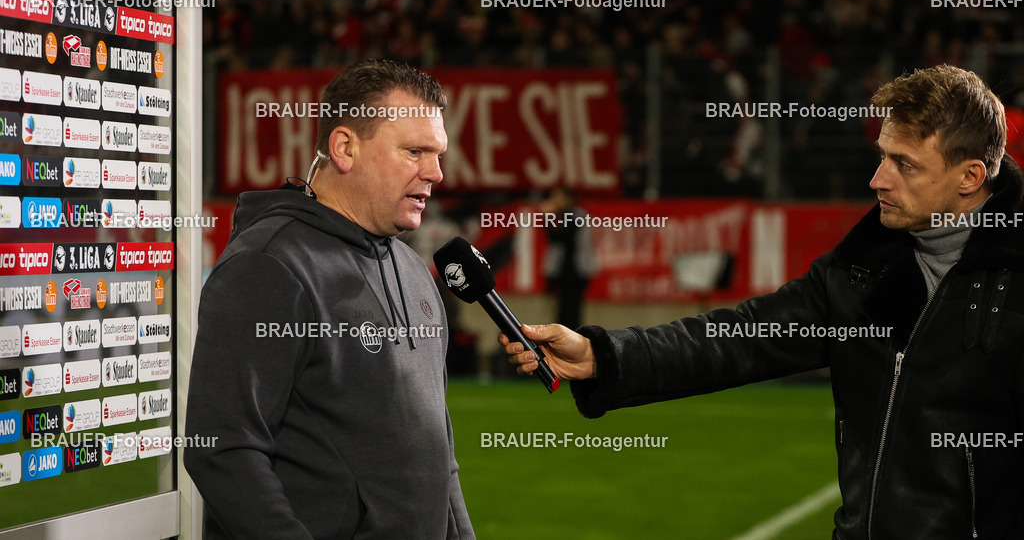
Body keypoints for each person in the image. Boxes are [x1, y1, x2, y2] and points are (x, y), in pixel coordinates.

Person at [502, 64, 1024, 539]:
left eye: (904, 164)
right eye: (882, 156)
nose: (877, 179)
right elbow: (739, 337)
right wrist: (602, 356)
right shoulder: (863, 270)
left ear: (971, 177)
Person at [185, 60, 474, 539]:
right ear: (345, 148)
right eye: (414, 151)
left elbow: (441, 459)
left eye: (438, 153)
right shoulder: (268, 265)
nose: (437, 172)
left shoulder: (414, 273)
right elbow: (223, 449)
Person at [541, 186, 599, 330]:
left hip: (576, 272)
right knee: (564, 313)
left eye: (558, 197)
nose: (555, 201)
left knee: (570, 313)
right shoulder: (567, 215)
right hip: (567, 271)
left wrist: (547, 218)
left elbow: (561, 237)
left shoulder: (577, 215)